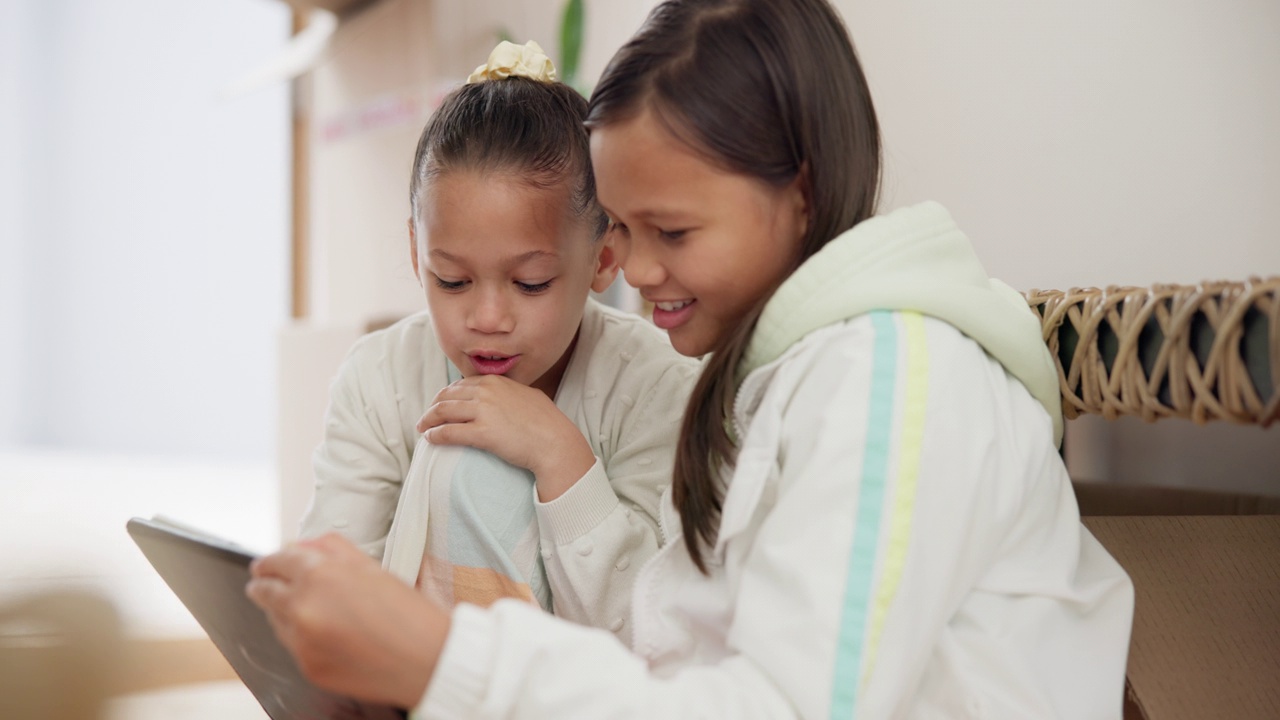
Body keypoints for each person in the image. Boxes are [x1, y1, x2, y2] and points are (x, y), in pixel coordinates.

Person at [249, 1, 1135, 717]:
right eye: (625, 229)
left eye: (670, 230)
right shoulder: (781, 382)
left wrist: (447, 661)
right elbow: (664, 644)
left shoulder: (893, 385)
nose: (631, 271)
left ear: (803, 191)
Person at [295, 40, 698, 645]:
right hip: (413, 691)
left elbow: (653, 628)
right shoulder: (380, 374)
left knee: (473, 463)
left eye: (530, 283)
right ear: (416, 252)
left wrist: (559, 455)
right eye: (451, 280)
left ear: (605, 257)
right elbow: (335, 574)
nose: (486, 318)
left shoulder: (656, 385)